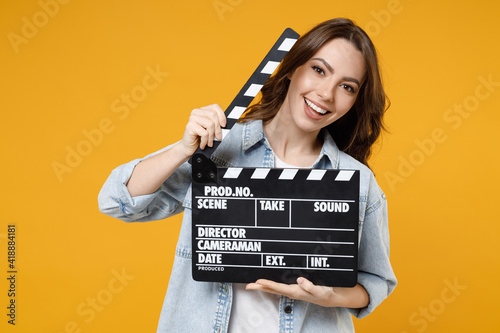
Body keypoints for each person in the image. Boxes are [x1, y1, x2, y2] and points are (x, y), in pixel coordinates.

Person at [98, 18, 397, 332]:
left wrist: (331, 295)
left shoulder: (357, 182)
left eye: (347, 86)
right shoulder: (216, 150)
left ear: (355, 100)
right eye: (319, 70)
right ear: (293, 67)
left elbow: (375, 282)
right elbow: (117, 202)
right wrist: (183, 150)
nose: (326, 93)